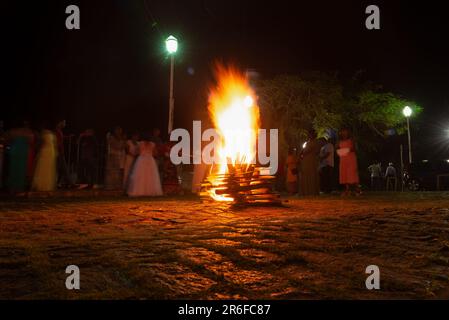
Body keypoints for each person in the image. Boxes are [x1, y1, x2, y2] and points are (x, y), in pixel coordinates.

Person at [5, 123, 34, 193]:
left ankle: (12, 187)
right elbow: (31, 141)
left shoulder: (12, 131)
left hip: (14, 150)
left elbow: (7, 140)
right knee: (20, 169)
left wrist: (9, 147)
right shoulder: (27, 131)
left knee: (13, 168)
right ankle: (18, 187)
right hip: (22, 151)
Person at [337, 128, 361, 196]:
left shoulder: (351, 140)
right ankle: (347, 190)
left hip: (350, 158)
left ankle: (355, 190)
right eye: (342, 132)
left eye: (345, 132)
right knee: (344, 174)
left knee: (351, 174)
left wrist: (344, 151)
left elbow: (354, 148)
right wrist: (341, 152)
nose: (344, 133)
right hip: (343, 159)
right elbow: (337, 149)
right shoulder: (339, 141)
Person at [299, 130, 320, 196]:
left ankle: (311, 191)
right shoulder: (308, 142)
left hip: (311, 161)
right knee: (306, 175)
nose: (309, 136)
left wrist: (302, 152)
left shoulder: (315, 142)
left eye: (310, 134)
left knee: (311, 175)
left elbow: (308, 150)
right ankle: (306, 191)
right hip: (306, 161)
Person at [55, 120, 73, 188]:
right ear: (60, 122)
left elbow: (61, 138)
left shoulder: (59, 130)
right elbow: (58, 141)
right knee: (63, 168)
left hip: (60, 152)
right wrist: (59, 149)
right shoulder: (57, 131)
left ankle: (59, 182)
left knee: (61, 169)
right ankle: (69, 183)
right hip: (59, 152)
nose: (65, 124)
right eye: (64, 122)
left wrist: (68, 137)